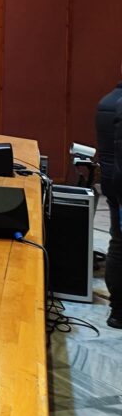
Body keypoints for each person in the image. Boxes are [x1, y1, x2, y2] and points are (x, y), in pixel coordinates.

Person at [95, 63, 122, 329]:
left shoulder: (106, 102)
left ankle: (117, 308)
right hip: (120, 184)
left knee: (118, 243)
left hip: (113, 184)